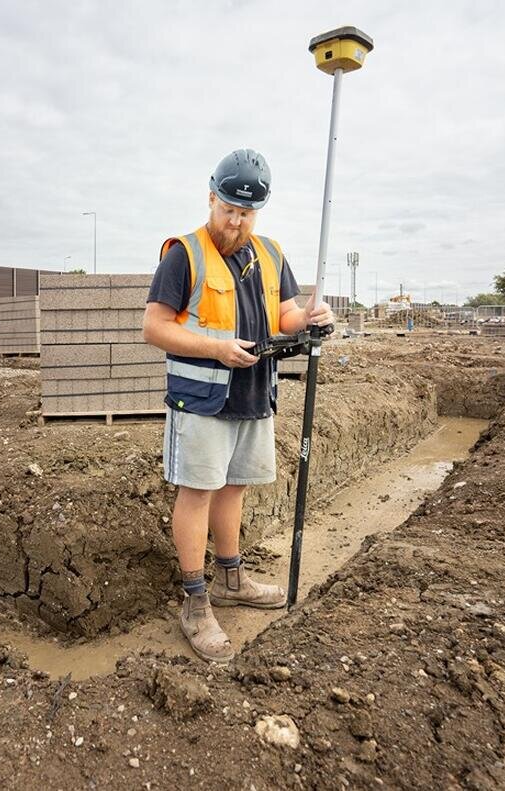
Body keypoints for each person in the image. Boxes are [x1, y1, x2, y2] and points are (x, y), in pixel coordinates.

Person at [143, 149, 334, 662]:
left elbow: (287, 314)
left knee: (234, 489)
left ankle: (231, 578)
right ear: (211, 197)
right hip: (202, 398)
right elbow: (154, 327)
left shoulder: (270, 253)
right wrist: (215, 347)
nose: (236, 220)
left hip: (252, 395)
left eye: (247, 212)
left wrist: (311, 317)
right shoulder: (184, 253)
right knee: (197, 494)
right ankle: (195, 600)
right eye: (228, 208)